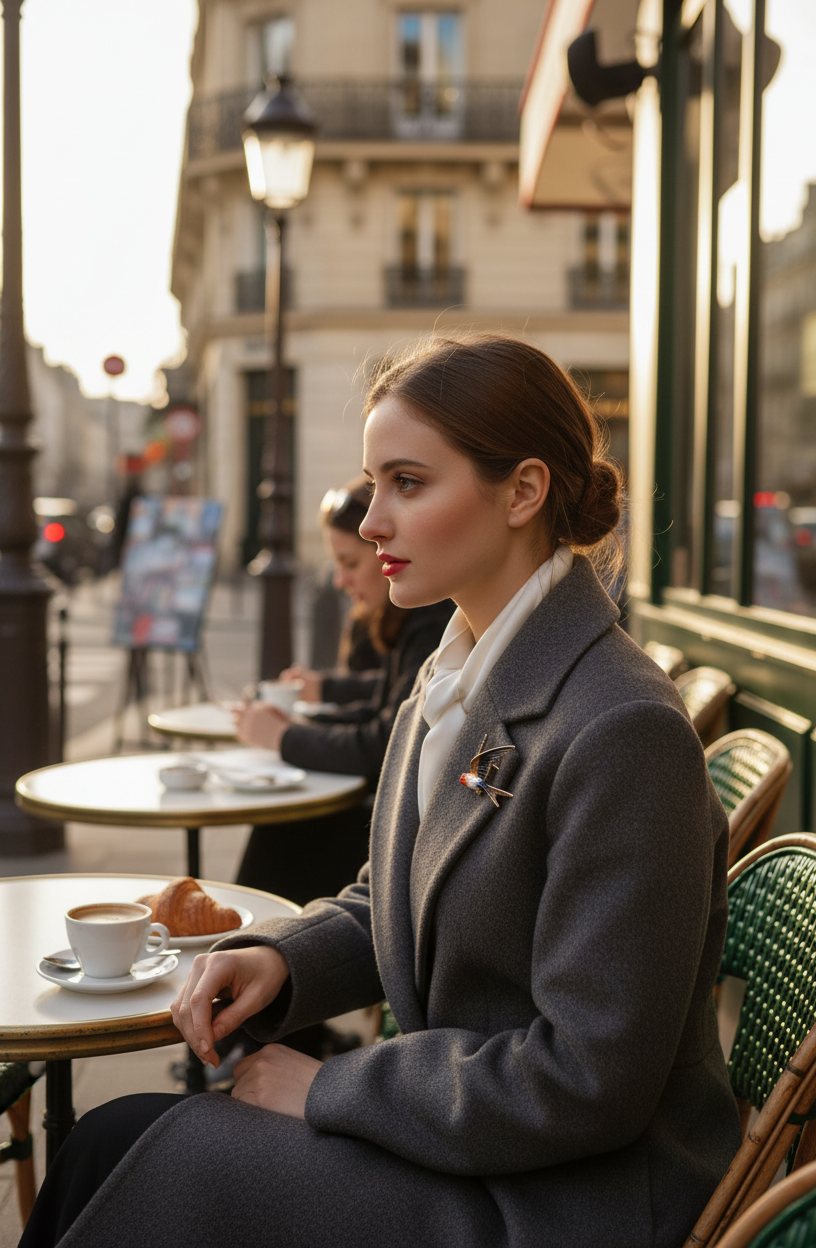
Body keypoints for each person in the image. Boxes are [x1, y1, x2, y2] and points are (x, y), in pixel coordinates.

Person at [21, 333, 740, 1248]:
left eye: (408, 482)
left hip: (564, 1201)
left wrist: (327, 1086)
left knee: (148, 1147)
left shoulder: (620, 726)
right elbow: (397, 897)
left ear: (522, 491)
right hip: (476, 1146)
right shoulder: (462, 676)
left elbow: (587, 1081)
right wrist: (281, 957)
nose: (369, 523)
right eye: (375, 483)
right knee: (109, 1142)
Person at [233, 476, 453, 906]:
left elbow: (385, 741)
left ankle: (253, 943)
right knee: (282, 823)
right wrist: (303, 719)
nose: (338, 580)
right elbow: (389, 707)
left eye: (349, 563)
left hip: (416, 834)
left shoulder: (426, 614)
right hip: (410, 818)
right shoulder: (409, 616)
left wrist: (285, 737)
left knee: (285, 824)